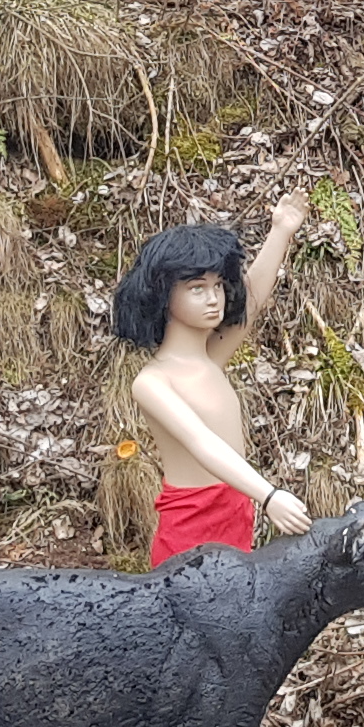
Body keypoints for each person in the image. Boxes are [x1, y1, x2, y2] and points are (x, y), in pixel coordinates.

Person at [110, 197, 317, 567]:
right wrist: (268, 496)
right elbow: (201, 442)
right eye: (196, 288)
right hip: (190, 530)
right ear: (163, 295)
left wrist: (281, 230)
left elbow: (252, 301)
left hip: (235, 516)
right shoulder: (152, 382)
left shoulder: (210, 357)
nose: (214, 299)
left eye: (218, 285)